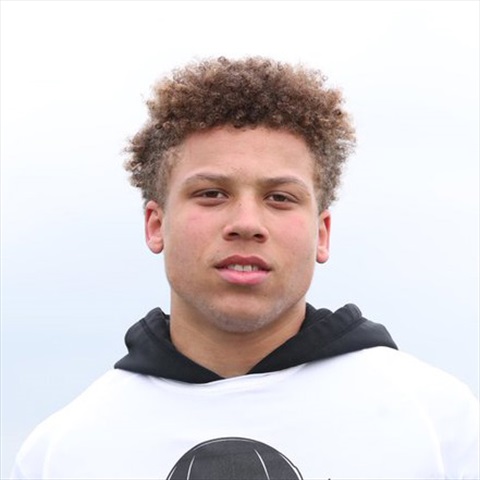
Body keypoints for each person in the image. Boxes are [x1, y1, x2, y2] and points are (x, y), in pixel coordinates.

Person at [11, 57, 479, 480]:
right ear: (156, 225)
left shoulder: (442, 426)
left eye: (280, 197)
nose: (247, 224)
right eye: (212, 194)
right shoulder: (62, 453)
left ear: (322, 233)